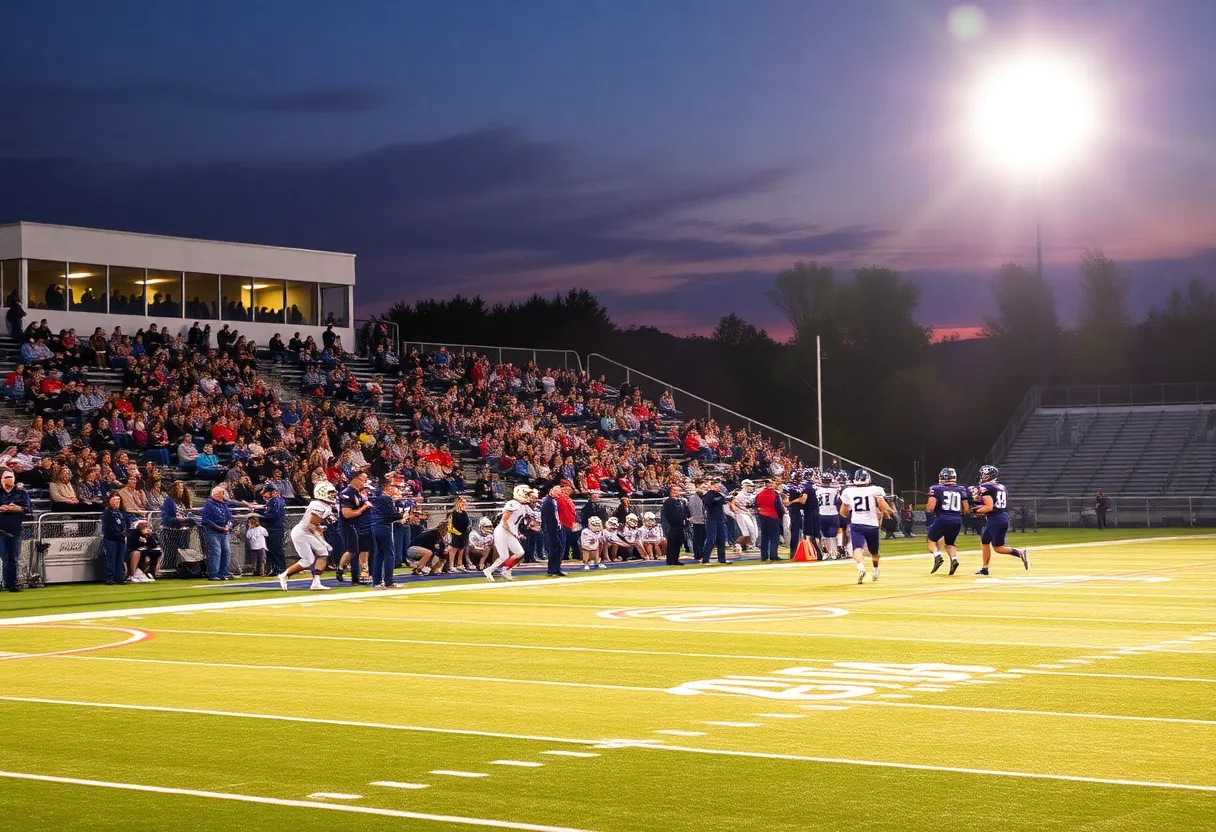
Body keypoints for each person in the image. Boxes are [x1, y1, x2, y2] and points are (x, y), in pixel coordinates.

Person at [972, 465, 1029, 575]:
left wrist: (975, 511)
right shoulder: (1001, 487)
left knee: (985, 541)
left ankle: (985, 568)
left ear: (986, 474)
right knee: (998, 547)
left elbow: (989, 507)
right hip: (1003, 517)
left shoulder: (986, 487)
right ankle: (1019, 552)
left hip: (995, 518)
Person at [839, 469, 893, 584]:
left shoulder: (848, 491)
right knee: (874, 552)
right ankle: (876, 569)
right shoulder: (875, 490)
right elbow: (884, 506)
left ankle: (861, 567)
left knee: (857, 548)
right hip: (872, 525)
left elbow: (843, 512)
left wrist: (848, 512)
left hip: (857, 524)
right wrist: (890, 511)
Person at [279, 482, 336, 591]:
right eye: (330, 493)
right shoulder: (318, 505)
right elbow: (311, 525)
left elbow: (315, 525)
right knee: (308, 560)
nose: (332, 495)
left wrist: (321, 532)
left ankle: (316, 582)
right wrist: (323, 542)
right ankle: (285, 575)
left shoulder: (323, 505)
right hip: (301, 533)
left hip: (307, 533)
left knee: (323, 553)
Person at [926, 467, 970, 576]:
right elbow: (966, 509)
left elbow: (930, 508)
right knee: (950, 543)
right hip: (956, 519)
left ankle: (937, 556)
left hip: (942, 518)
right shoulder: (961, 489)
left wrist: (931, 511)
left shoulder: (936, 488)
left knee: (931, 540)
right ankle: (954, 559)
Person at [484, 484, 530, 581]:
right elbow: (504, 521)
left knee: (520, 552)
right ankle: (489, 570)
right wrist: (513, 533)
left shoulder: (523, 506)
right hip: (502, 531)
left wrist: (516, 532)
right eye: (526, 494)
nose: (527, 496)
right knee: (504, 556)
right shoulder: (512, 503)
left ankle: (506, 570)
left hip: (509, 532)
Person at [335, 469, 372, 584]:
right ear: (355, 479)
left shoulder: (358, 492)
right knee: (352, 549)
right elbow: (347, 514)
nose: (364, 482)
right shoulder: (347, 493)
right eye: (362, 479)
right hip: (348, 525)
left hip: (359, 525)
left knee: (362, 549)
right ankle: (340, 569)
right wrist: (363, 508)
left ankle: (359, 575)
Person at [0, 470, 31, 591]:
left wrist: (14, 508)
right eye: (6, 477)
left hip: (15, 529)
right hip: (0, 528)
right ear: (2, 479)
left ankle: (11, 584)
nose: (9, 479)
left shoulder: (21, 492)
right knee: (5, 557)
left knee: (13, 558)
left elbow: (27, 508)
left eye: (10, 477)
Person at [368, 480, 401, 587]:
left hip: (374, 526)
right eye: (390, 487)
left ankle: (376, 581)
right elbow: (390, 515)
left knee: (379, 554)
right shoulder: (386, 499)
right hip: (383, 527)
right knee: (389, 554)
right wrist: (401, 515)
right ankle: (389, 581)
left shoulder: (375, 499)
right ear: (386, 488)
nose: (392, 489)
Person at [200, 485, 235, 581]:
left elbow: (229, 518)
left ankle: (223, 571)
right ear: (215, 494)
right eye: (221, 493)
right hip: (212, 532)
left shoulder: (224, 505)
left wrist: (228, 526)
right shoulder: (209, 504)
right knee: (215, 551)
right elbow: (206, 520)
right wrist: (218, 527)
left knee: (226, 551)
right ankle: (213, 573)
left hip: (224, 532)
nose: (223, 495)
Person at [255, 482, 287, 576]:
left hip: (275, 528)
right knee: (271, 550)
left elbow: (273, 515)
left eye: (266, 492)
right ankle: (274, 568)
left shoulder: (275, 501)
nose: (264, 495)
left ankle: (280, 568)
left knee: (276, 549)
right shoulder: (273, 501)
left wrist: (259, 514)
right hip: (271, 528)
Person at [100, 492, 131, 586]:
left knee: (120, 559)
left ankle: (120, 577)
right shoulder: (107, 513)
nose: (116, 502)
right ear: (110, 501)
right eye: (114, 500)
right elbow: (109, 527)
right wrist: (122, 535)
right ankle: (110, 578)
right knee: (111, 559)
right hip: (111, 539)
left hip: (121, 539)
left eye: (118, 500)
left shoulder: (122, 513)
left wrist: (125, 535)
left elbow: (128, 525)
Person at [754, 479, 785, 563]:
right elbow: (778, 507)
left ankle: (764, 556)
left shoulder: (759, 494)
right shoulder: (775, 494)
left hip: (762, 516)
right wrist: (780, 517)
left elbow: (756, 505)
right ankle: (773, 555)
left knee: (764, 536)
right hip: (772, 515)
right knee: (774, 537)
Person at [700, 479, 729, 564]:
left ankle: (722, 559)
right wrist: (721, 497)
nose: (718, 488)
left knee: (721, 539)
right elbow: (711, 502)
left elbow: (724, 501)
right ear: (712, 486)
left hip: (720, 519)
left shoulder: (719, 494)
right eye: (716, 486)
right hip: (711, 519)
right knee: (711, 539)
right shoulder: (708, 494)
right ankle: (705, 559)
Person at [815, 471, 843, 559]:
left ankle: (826, 552)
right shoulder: (835, 490)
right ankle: (834, 552)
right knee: (833, 534)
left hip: (821, 513)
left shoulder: (817, 490)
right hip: (833, 513)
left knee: (824, 535)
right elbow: (839, 500)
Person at [540, 485, 566, 577]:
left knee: (559, 548)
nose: (559, 496)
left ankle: (556, 569)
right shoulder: (547, 502)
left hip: (556, 527)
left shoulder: (553, 501)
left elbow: (555, 515)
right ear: (553, 492)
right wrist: (549, 530)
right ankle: (552, 570)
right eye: (558, 494)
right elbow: (547, 518)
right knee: (554, 549)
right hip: (551, 529)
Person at [125, 519, 162, 583]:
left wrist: (148, 536)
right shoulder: (133, 533)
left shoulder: (147, 534)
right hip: (132, 551)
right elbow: (132, 545)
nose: (145, 528)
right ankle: (132, 575)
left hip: (144, 551)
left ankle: (153, 572)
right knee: (138, 553)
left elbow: (154, 545)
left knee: (158, 553)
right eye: (143, 526)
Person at [661, 483, 689, 565]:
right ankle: (670, 560)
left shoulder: (680, 502)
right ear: (671, 492)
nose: (677, 492)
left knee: (678, 543)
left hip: (680, 526)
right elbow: (670, 515)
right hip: (672, 526)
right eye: (675, 490)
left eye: (678, 490)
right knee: (672, 544)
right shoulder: (668, 502)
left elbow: (683, 512)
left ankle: (676, 559)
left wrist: (685, 519)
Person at [729, 479, 758, 554]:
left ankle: (749, 545)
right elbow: (732, 503)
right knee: (747, 532)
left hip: (750, 513)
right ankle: (739, 545)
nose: (751, 488)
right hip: (742, 513)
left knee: (755, 532)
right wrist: (735, 511)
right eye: (750, 486)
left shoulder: (751, 494)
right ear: (745, 486)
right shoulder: (740, 495)